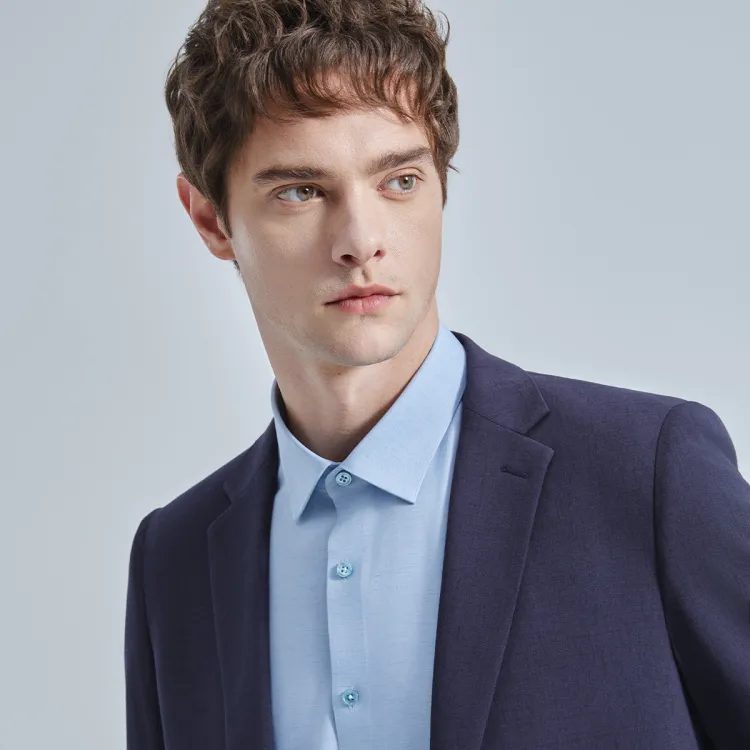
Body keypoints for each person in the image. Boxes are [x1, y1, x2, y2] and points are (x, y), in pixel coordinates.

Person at [124, 1, 750, 748]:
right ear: (210, 219)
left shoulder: (645, 475)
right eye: (301, 191)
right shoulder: (175, 561)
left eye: (399, 180)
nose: (361, 241)